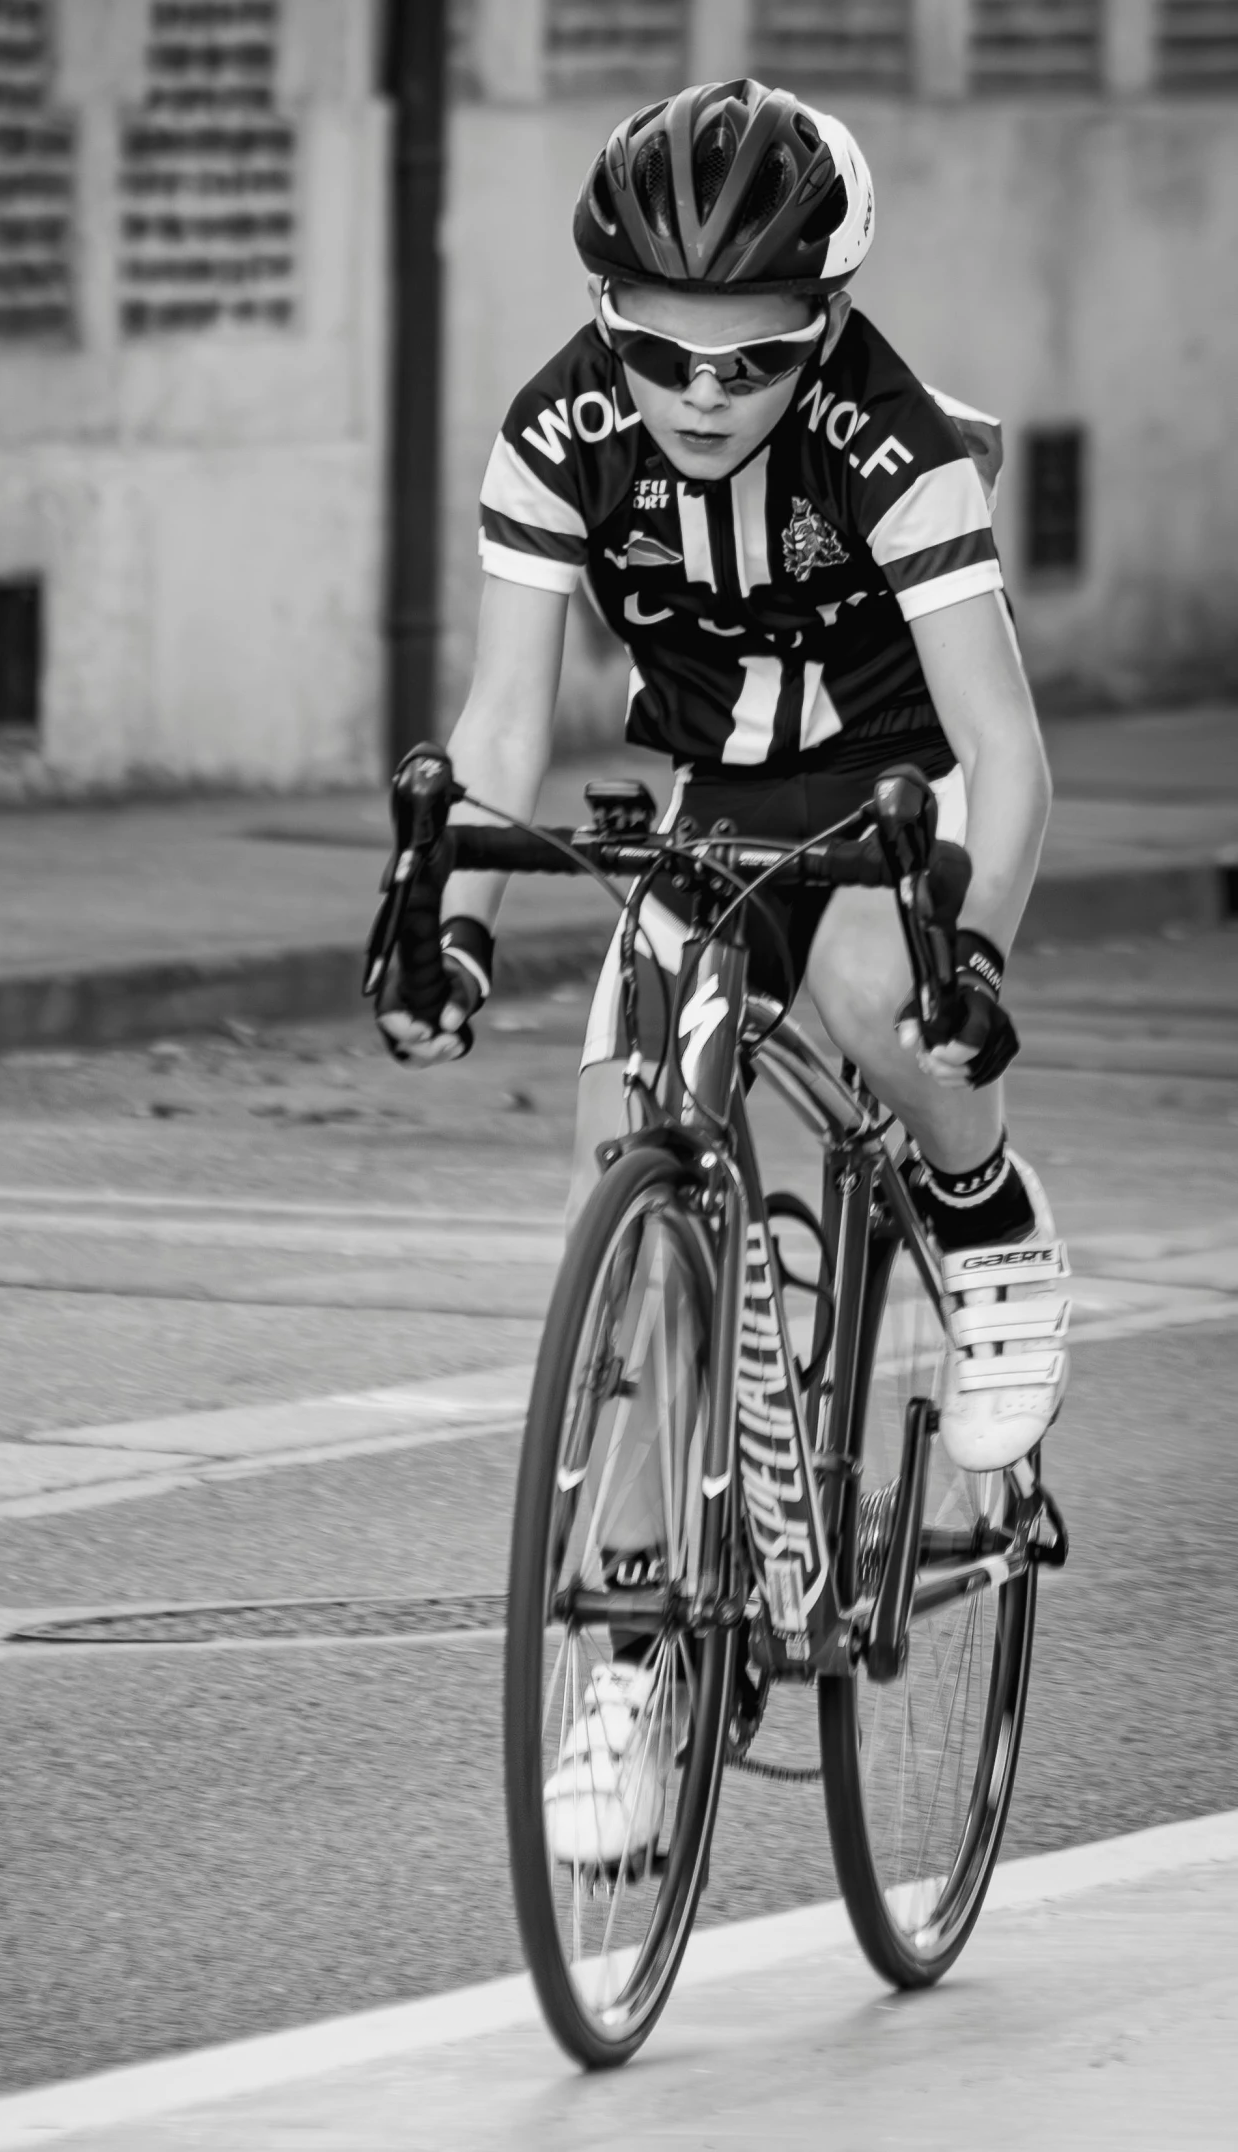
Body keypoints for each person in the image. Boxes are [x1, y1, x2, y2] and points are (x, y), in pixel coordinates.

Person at [375, 80, 1072, 1864]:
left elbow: (1015, 750)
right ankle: (632, 1661)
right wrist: (449, 914)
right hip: (702, 792)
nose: (700, 396)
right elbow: (508, 715)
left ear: (824, 324)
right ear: (611, 323)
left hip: (900, 782)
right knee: (631, 1131)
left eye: (749, 362)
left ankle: (983, 1215)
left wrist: (970, 955)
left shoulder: (893, 444)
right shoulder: (557, 430)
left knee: (860, 991)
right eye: (661, 354)